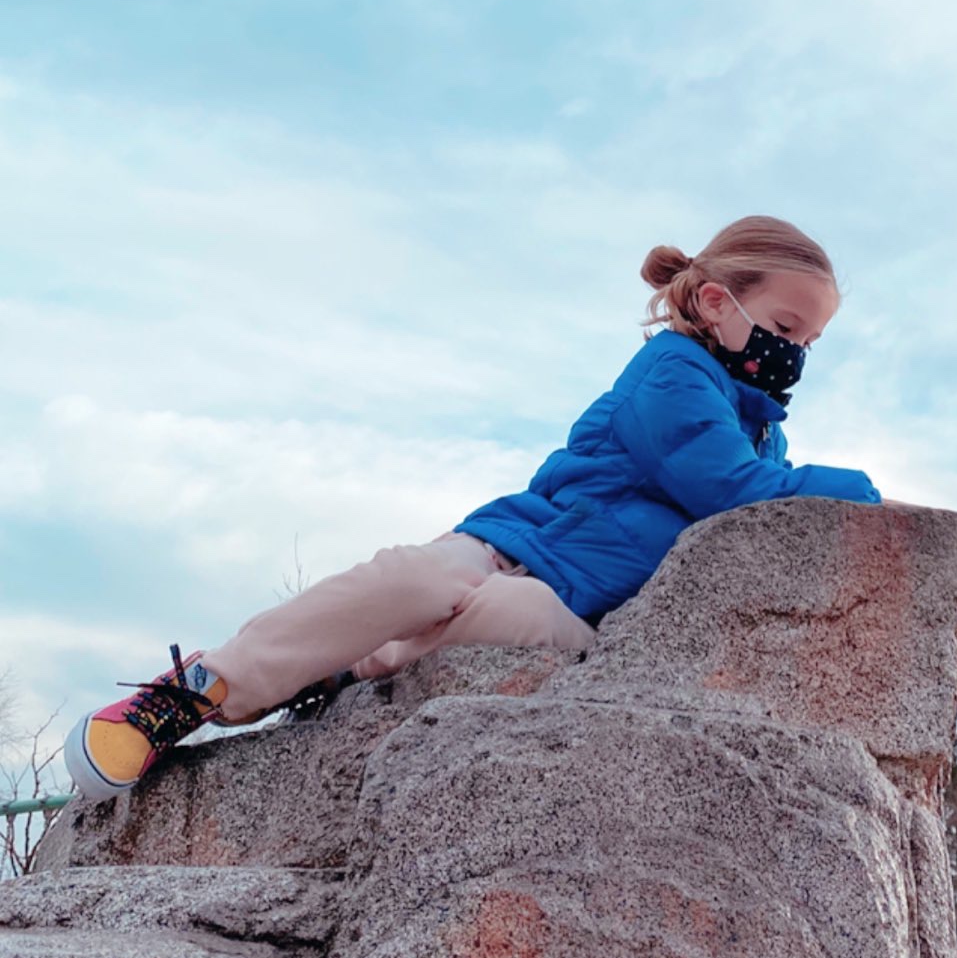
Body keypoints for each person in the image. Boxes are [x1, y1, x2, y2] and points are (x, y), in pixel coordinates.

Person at [64, 215, 881, 802]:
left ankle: (345, 665)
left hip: (573, 602)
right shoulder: (675, 374)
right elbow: (729, 492)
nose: (793, 354)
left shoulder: (765, 438)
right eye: (784, 327)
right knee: (421, 580)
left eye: (808, 343)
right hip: (519, 537)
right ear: (715, 303)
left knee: (510, 619)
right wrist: (869, 497)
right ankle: (200, 689)